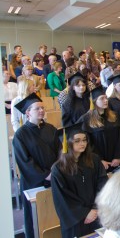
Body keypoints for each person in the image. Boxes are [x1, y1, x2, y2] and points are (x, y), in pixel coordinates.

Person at [13, 93, 61, 238]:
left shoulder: (51, 128)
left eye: (42, 108)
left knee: (55, 213)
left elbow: (60, 151)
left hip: (54, 177)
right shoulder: (21, 134)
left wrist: (56, 169)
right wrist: (45, 174)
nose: (41, 111)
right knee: (36, 218)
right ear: (28, 112)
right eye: (37, 108)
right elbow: (24, 161)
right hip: (34, 182)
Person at [51, 123, 108, 238]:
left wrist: (95, 208)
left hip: (96, 214)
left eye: (84, 140)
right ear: (67, 143)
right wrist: (84, 213)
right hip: (75, 220)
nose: (82, 144)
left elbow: (103, 184)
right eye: (77, 141)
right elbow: (63, 199)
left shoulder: (94, 160)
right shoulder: (59, 168)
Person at [79, 86, 120, 171]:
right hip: (96, 163)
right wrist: (99, 160)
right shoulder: (86, 120)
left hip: (115, 161)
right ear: (94, 102)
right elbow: (88, 143)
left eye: (106, 98)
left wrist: (118, 156)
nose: (106, 100)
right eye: (102, 98)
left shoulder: (115, 116)